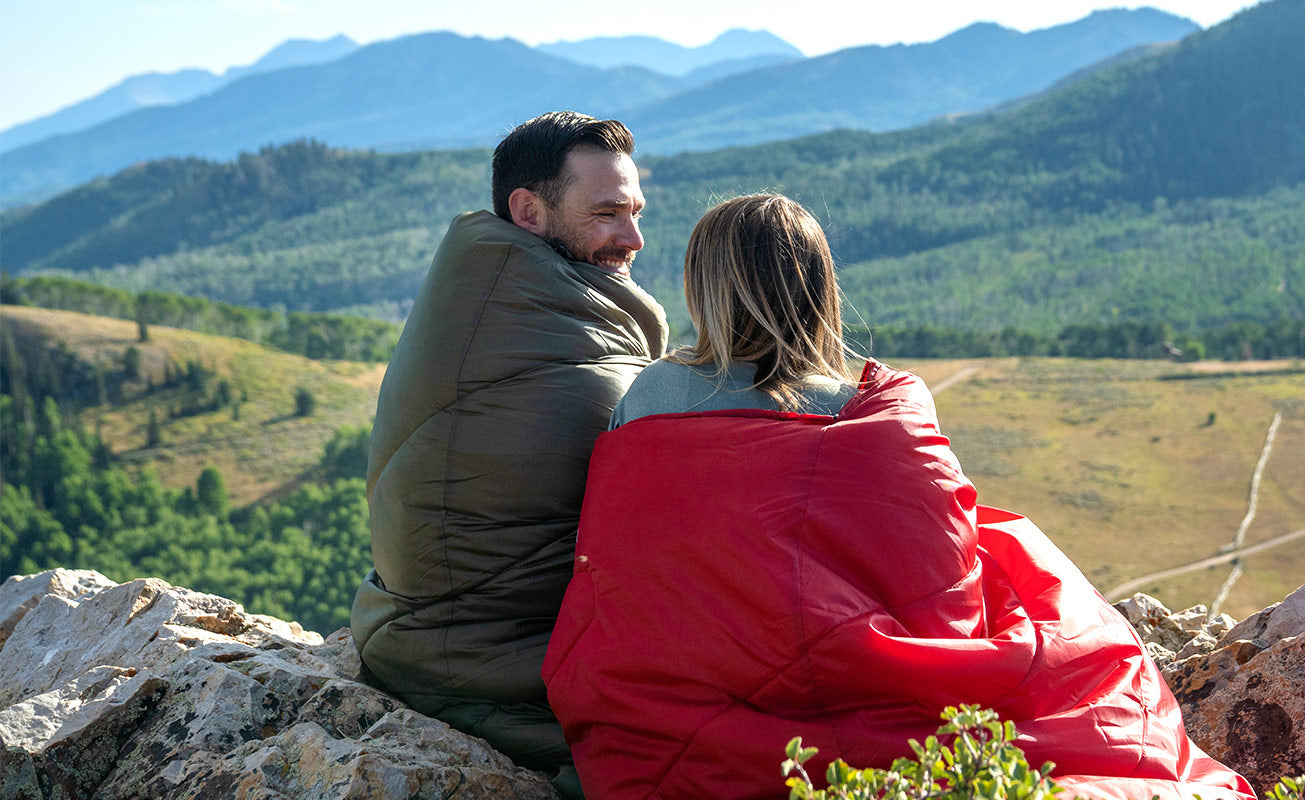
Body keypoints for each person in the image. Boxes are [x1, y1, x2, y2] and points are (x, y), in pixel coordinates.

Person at [542, 194, 1253, 800]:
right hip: (878, 703)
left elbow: (623, 570)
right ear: (819, 284)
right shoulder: (884, 407)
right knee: (1010, 552)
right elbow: (944, 590)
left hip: (671, 721)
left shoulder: (649, 399)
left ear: (705, 286)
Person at [351, 111, 668, 795]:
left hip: (425, 636)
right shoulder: (533, 330)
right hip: (482, 667)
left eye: (636, 212)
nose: (633, 238)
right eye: (607, 213)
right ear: (528, 210)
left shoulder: (493, 291)